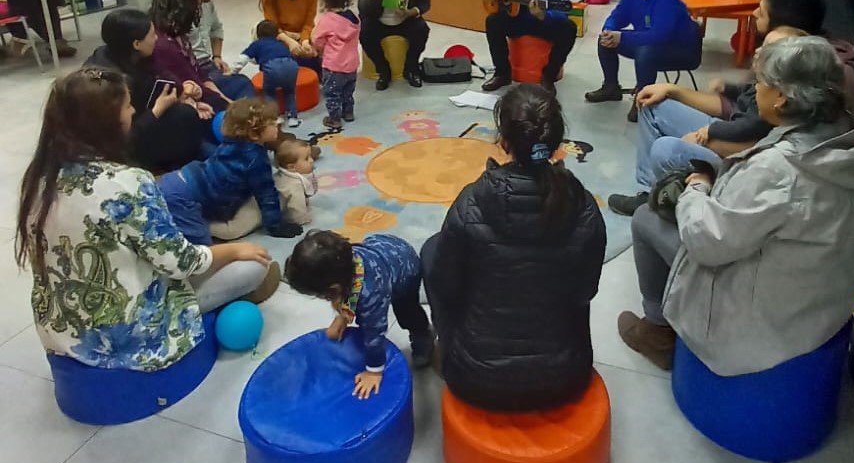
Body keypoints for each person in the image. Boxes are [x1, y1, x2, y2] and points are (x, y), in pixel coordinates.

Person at [619, 36, 854, 373]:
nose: (754, 89)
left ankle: (657, 333)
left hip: (764, 318)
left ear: (783, 99)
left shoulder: (778, 170)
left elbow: (708, 242)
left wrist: (696, 190)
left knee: (646, 218)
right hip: (819, 305)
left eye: (760, 83)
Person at [14, 69, 277, 372]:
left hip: (63, 329)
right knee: (254, 265)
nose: (134, 111)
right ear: (107, 123)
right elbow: (181, 262)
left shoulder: (39, 179)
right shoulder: (129, 182)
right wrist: (234, 250)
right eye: (127, 106)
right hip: (132, 332)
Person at [421, 84, 607, 412]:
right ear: (556, 145)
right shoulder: (585, 207)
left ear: (503, 142)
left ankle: (445, 347)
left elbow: (446, 286)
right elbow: (585, 292)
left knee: (433, 250)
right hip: (565, 377)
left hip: (475, 378)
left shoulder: (471, 202)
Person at [607, 0, 852, 216]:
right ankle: (647, 192)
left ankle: (676, 198)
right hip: (741, 132)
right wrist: (674, 89)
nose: (755, 14)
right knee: (652, 103)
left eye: (763, 12)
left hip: (752, 157)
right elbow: (741, 106)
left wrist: (709, 135)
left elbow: (762, 138)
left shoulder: (807, 71)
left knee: (665, 149)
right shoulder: (788, 53)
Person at [285, 231, 434, 400]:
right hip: (380, 244)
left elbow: (374, 334)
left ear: (333, 289)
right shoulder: (344, 260)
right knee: (350, 292)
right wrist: (342, 316)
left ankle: (422, 335)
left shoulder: (372, 293)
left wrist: (374, 371)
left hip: (405, 270)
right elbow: (348, 291)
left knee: (407, 311)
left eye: (323, 296)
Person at [158, 97, 305, 246]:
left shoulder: (231, 143)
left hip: (177, 179)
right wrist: (276, 226)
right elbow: (266, 195)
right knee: (202, 251)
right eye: (273, 124)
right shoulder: (255, 159)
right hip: (185, 196)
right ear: (254, 133)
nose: (278, 125)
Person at [84, 8, 213, 173]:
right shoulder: (108, 83)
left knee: (189, 114)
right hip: (122, 147)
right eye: (152, 36)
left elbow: (161, 73)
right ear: (136, 44)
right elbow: (123, 137)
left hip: (143, 115)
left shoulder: (129, 53)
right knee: (185, 117)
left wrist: (183, 94)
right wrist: (157, 110)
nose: (157, 38)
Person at [585, 0, 698, 121]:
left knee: (646, 53)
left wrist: (622, 37)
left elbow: (659, 36)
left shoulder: (666, 0)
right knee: (605, 41)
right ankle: (611, 87)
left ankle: (643, 100)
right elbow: (618, 16)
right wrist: (608, 30)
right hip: (650, 43)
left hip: (680, 50)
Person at [210, 137, 318, 241]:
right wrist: (302, 219)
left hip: (253, 200)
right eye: (306, 158)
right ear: (292, 167)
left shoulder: (284, 174)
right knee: (232, 230)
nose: (312, 161)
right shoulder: (295, 184)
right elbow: (296, 208)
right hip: (257, 211)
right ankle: (203, 226)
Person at [150, 0, 232, 112]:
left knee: (239, 84)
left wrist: (227, 100)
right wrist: (229, 105)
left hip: (199, 87)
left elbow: (200, 75)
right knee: (220, 104)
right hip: (189, 99)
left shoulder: (177, 35)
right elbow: (193, 84)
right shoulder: (165, 45)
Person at [181, 0, 256, 100]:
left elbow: (216, 29)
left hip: (209, 64)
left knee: (239, 83)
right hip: (192, 73)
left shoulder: (206, 4)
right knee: (241, 84)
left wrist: (217, 56)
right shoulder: (177, 14)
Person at [259, 0, 321, 74]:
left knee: (312, 58)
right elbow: (272, 26)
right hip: (279, 36)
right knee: (279, 61)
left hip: (301, 35)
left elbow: (309, 23)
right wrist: (290, 41)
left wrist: (304, 41)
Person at [311, 0, 360, 128]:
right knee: (347, 92)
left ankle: (334, 119)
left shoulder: (327, 20)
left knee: (332, 94)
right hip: (352, 65)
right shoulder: (354, 18)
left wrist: (320, 48)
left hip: (333, 66)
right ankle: (348, 112)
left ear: (325, 1)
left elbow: (316, 39)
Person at [231, 20, 301, 127]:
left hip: (272, 67)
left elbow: (243, 58)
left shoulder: (257, 44)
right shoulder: (280, 44)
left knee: (269, 92)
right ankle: (293, 117)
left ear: (258, 35)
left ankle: (275, 117)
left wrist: (233, 72)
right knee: (290, 91)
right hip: (291, 65)